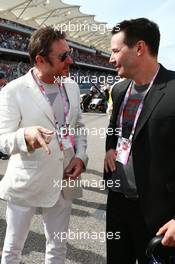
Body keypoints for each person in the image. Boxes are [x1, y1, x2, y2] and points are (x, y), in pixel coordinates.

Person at [0, 26, 88, 264]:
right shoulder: (13, 91)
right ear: (40, 59)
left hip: (65, 178)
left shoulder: (70, 86)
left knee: (57, 248)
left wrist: (80, 156)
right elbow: (2, 140)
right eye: (63, 57)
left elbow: (78, 126)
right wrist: (25, 135)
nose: (70, 60)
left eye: (69, 53)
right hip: (27, 183)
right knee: (12, 250)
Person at [104, 18, 175, 264]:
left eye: (115, 51)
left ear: (140, 48)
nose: (110, 58)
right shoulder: (120, 90)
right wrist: (109, 150)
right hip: (117, 203)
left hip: (159, 213)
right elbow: (116, 130)